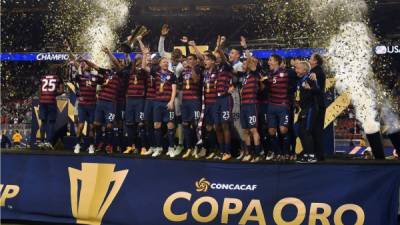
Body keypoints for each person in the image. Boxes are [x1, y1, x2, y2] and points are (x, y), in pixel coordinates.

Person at [143, 55, 177, 157]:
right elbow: (144, 67)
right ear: (160, 64)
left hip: (168, 103)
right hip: (157, 102)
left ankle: (171, 148)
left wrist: (171, 101)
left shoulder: (172, 75)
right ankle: (159, 148)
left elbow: (174, 89)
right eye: (164, 62)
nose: (166, 64)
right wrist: (145, 54)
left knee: (170, 125)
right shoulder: (155, 73)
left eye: (167, 62)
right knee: (156, 125)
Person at [265, 54, 290, 161]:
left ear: (276, 62)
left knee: (283, 130)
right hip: (271, 106)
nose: (268, 62)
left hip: (282, 105)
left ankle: (286, 152)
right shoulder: (268, 74)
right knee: (271, 131)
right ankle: (278, 152)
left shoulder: (286, 72)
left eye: (270, 60)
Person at [295, 61, 321, 163]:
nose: (296, 70)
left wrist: (310, 88)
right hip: (304, 109)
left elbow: (318, 90)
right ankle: (306, 154)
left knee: (306, 132)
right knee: (300, 131)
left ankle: (311, 155)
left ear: (305, 70)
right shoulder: (300, 80)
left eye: (298, 68)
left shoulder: (310, 78)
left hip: (310, 108)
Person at [214, 35, 234, 160]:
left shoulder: (227, 66)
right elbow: (207, 57)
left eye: (218, 57)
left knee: (225, 125)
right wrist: (216, 47)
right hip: (216, 100)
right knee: (217, 126)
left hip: (226, 99)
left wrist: (219, 47)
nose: (216, 58)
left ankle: (228, 151)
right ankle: (221, 151)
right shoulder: (215, 68)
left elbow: (220, 55)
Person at [240, 57, 262, 162]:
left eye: (245, 64)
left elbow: (253, 65)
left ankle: (257, 154)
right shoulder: (244, 76)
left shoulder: (254, 73)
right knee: (245, 130)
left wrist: (246, 49)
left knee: (253, 129)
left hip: (251, 105)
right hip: (243, 105)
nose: (243, 66)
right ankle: (249, 153)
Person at [38, 64, 64, 149]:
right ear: (55, 71)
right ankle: (48, 142)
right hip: (51, 101)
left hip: (42, 101)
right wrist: (54, 93)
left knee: (43, 122)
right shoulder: (58, 78)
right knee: (51, 122)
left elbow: (39, 90)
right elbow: (61, 91)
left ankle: (41, 141)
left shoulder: (43, 77)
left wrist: (42, 97)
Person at [309, 53, 326, 161]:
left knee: (316, 130)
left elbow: (318, 89)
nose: (309, 59)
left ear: (315, 61)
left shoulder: (316, 72)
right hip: (318, 104)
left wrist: (309, 88)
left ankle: (318, 155)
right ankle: (318, 154)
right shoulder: (317, 71)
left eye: (310, 58)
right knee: (316, 130)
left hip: (317, 105)